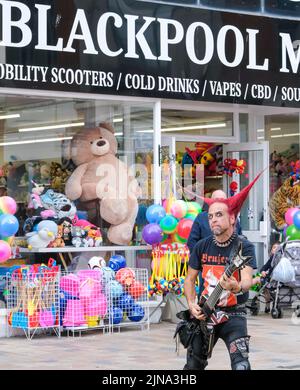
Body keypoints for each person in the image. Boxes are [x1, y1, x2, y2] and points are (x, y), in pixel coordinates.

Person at [183, 172, 263, 370]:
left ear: (232, 218)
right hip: (204, 313)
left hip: (234, 315)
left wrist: (236, 287)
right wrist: (191, 304)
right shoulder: (201, 246)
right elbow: (189, 279)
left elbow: (246, 279)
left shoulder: (244, 247)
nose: (213, 220)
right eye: (210, 216)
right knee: (193, 366)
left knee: (241, 365)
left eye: (219, 215)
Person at [187, 190, 242, 295]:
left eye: (223, 200)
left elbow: (239, 240)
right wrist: (200, 261)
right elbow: (192, 242)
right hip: (208, 267)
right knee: (206, 297)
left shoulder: (232, 218)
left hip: (227, 267)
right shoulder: (201, 217)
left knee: (228, 298)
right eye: (217, 199)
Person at [252, 241, 281, 313]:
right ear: (271, 250)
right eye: (273, 248)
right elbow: (264, 267)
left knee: (257, 280)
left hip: (273, 280)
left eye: (277, 248)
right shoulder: (272, 259)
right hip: (271, 280)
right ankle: (267, 305)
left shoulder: (278, 260)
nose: (275, 249)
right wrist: (263, 271)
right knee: (264, 286)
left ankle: (243, 291)